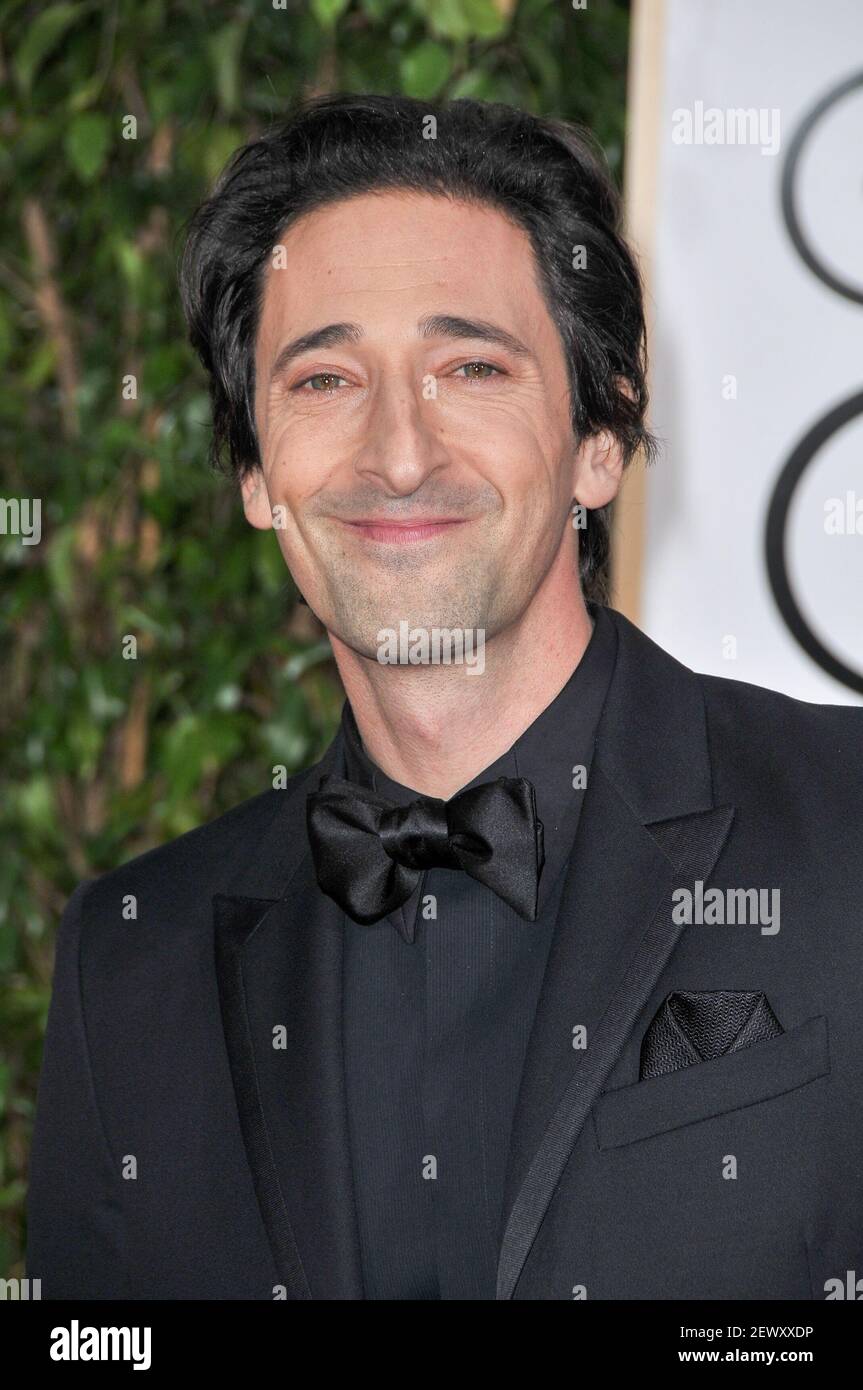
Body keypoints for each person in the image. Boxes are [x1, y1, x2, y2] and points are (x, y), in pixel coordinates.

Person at [27, 94, 863, 1301]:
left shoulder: (844, 827)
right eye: (321, 380)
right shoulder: (130, 963)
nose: (398, 452)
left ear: (598, 439)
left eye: (468, 366)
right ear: (257, 474)